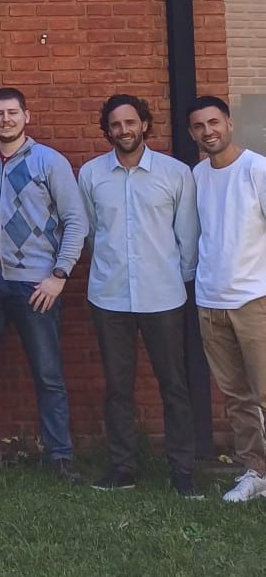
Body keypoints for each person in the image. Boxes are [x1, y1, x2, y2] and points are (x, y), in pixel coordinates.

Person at [0, 87, 89, 484]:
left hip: (36, 285)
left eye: (13, 112)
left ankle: (60, 455)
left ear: (26, 116)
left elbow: (76, 221)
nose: (6, 119)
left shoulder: (49, 161)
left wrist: (59, 275)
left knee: (48, 374)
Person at [78, 94, 199, 496]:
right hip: (109, 297)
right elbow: (90, 232)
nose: (124, 130)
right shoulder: (91, 174)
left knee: (174, 385)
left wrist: (178, 279)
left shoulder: (175, 173)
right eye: (115, 124)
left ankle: (182, 470)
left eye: (131, 122)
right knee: (117, 387)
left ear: (145, 124)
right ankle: (122, 467)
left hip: (163, 297)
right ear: (107, 130)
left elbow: (187, 235)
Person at [186, 96, 266, 503]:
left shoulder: (256, 169)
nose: (208, 131)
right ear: (192, 133)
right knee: (236, 397)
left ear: (229, 124)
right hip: (210, 303)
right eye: (199, 126)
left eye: (214, 122)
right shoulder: (197, 175)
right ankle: (255, 470)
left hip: (254, 300)